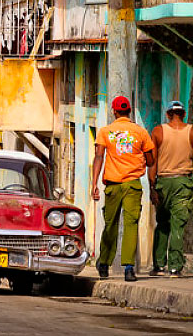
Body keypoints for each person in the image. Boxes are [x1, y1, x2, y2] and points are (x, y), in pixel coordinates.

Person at [92, 96, 155, 282]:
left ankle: (103, 264)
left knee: (110, 224)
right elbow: (151, 161)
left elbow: (98, 157)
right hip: (133, 185)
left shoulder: (106, 131)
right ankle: (129, 268)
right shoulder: (141, 132)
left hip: (112, 185)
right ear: (129, 111)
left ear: (114, 111)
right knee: (131, 225)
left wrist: (94, 184)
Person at [150, 101, 193, 277]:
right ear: (183, 114)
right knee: (178, 225)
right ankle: (175, 267)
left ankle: (159, 265)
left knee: (162, 224)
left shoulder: (158, 131)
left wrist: (152, 187)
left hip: (163, 182)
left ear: (168, 114)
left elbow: (152, 162)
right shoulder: (191, 131)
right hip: (183, 182)